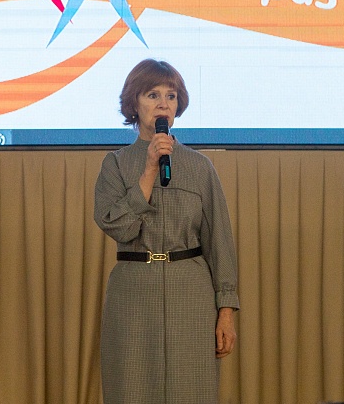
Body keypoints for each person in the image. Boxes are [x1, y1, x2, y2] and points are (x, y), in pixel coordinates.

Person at [94, 59, 239, 404]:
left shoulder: (200, 167)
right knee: (131, 390)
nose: (163, 103)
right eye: (153, 95)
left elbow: (219, 241)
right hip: (133, 294)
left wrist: (226, 310)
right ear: (134, 103)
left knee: (192, 391)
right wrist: (148, 171)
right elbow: (118, 226)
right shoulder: (116, 164)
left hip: (191, 293)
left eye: (171, 96)